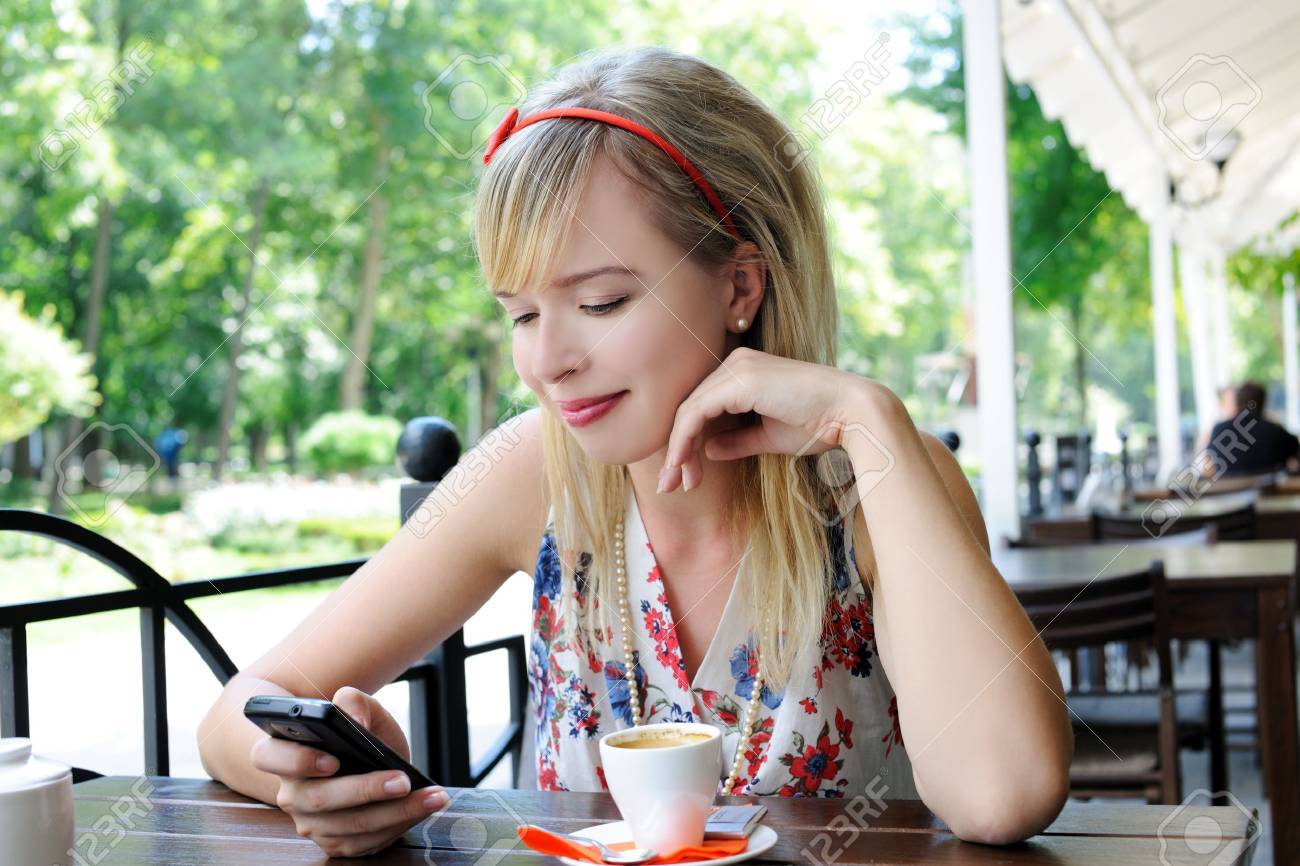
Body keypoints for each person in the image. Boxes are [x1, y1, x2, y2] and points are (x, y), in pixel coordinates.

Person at [198, 46, 1071, 858]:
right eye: (523, 315)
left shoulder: (879, 476)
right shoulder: (532, 472)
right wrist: (313, 781)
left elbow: (1006, 795)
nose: (547, 361)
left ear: (740, 285)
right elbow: (235, 714)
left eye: (603, 302)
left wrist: (865, 416)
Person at [1202, 381, 1300, 476]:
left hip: (1229, 492)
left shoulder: (1219, 430)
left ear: (1237, 402)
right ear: (1263, 402)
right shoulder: (1277, 432)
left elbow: (1208, 468)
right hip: (1268, 492)